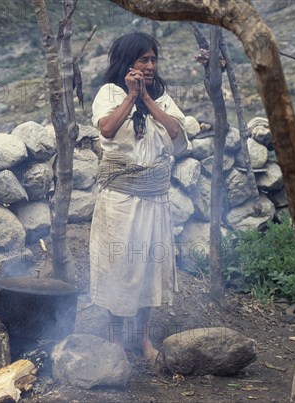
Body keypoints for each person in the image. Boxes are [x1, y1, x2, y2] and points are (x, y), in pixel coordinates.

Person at [90, 32, 190, 361]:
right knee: (120, 266)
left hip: (153, 199)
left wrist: (146, 98)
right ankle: (116, 340)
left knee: (149, 266)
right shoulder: (109, 93)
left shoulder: (161, 97)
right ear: (127, 62)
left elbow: (175, 132)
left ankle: (143, 339)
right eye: (143, 59)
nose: (150, 65)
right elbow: (106, 129)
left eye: (153, 59)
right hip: (120, 201)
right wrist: (130, 97)